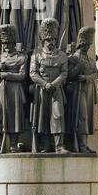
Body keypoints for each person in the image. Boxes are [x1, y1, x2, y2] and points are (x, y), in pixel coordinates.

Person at [30, 18, 69, 153]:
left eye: (52, 40)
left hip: (56, 89)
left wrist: (53, 84)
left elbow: (64, 73)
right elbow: (33, 73)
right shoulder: (36, 55)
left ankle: (59, 145)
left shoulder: (62, 55)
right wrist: (45, 84)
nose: (50, 42)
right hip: (42, 90)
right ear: (43, 41)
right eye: (47, 40)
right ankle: (46, 145)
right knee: (44, 117)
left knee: (57, 115)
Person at [0, 24, 28, 154]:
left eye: (8, 43)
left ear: (13, 42)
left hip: (15, 90)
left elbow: (22, 75)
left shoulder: (21, 57)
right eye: (4, 43)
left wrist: (7, 75)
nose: (6, 45)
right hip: (1, 90)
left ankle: (13, 144)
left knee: (15, 117)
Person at [66, 27, 98, 153]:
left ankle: (84, 143)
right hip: (78, 91)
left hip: (89, 90)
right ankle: (80, 144)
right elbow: (69, 75)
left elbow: (96, 73)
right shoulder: (74, 58)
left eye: (88, 45)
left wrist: (86, 77)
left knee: (88, 118)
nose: (87, 47)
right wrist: (78, 69)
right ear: (80, 44)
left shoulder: (90, 60)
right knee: (81, 117)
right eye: (85, 45)